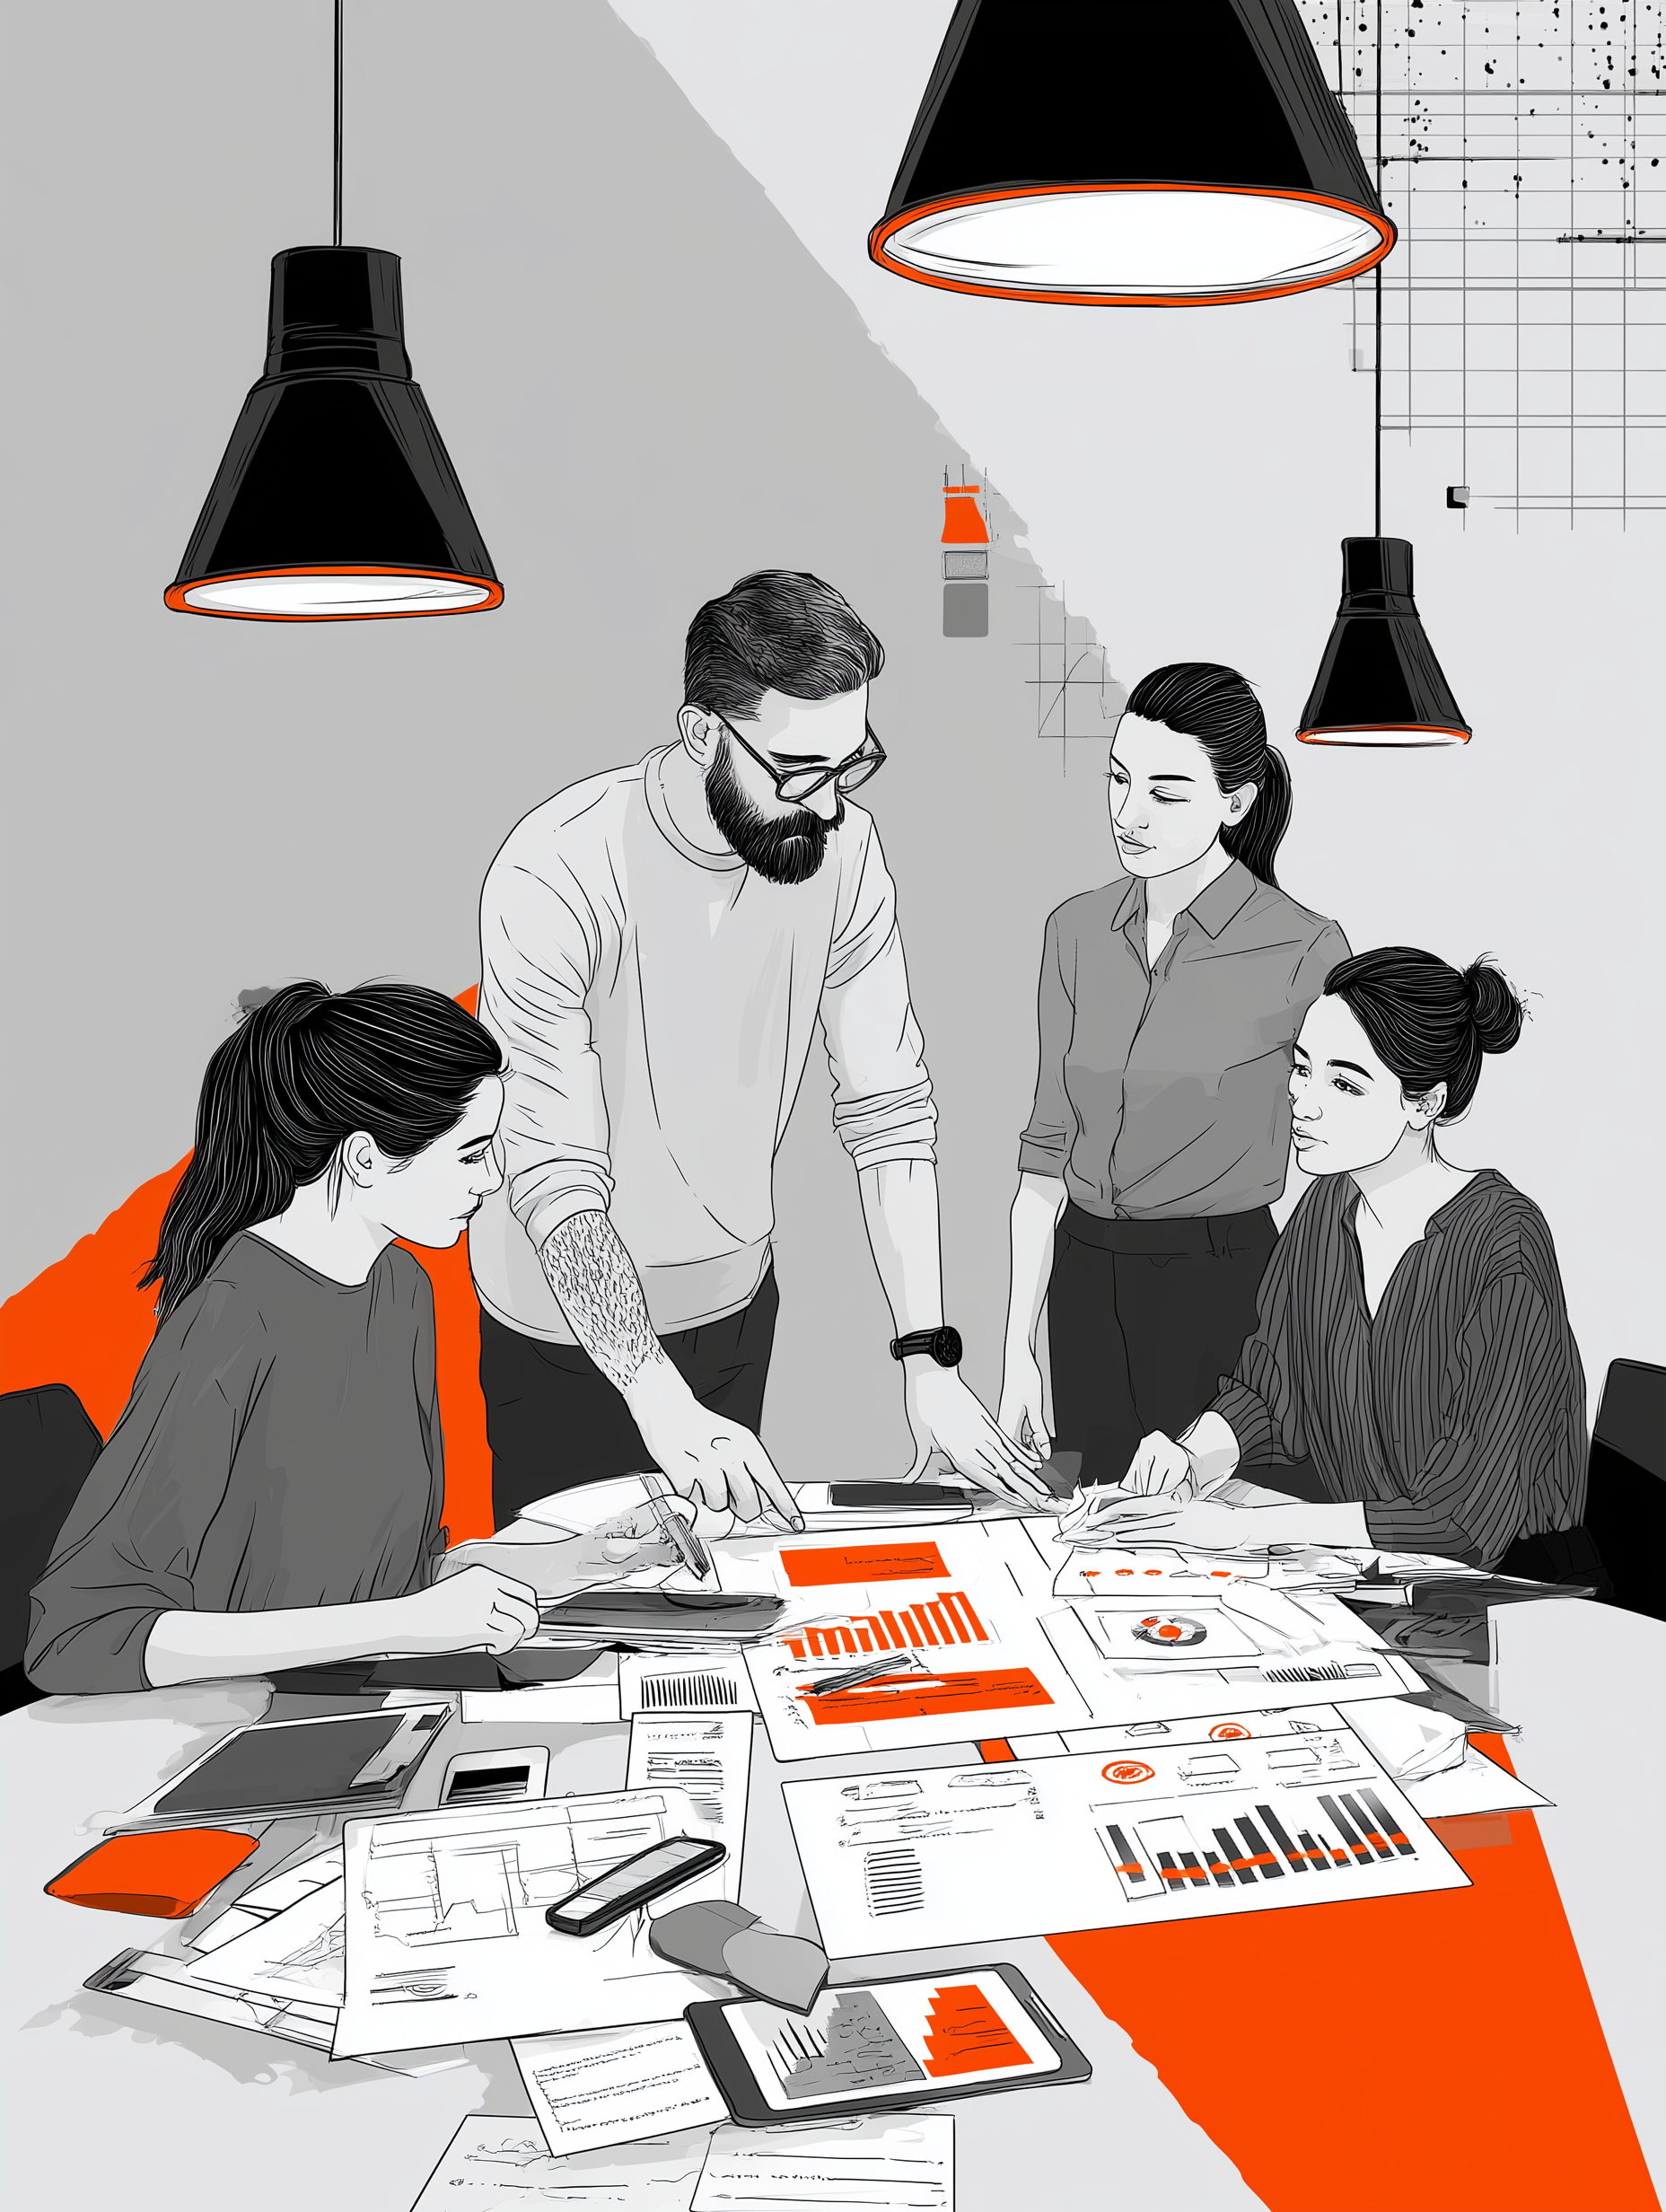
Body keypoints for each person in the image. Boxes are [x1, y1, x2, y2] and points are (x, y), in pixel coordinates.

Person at [469, 568, 1048, 1528]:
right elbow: (552, 1171)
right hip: (564, 1330)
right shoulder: (556, 866)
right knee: (570, 1635)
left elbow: (888, 1109)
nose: (827, 806)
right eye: (798, 770)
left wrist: (926, 1357)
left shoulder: (845, 852)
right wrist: (651, 1395)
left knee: (716, 1629)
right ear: (703, 733)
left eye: (849, 763)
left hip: (736, 1301)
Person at [26, 983, 683, 1695]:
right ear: (365, 1158)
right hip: (238, 1725)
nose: (492, 1180)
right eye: (471, 1154)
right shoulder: (234, 1318)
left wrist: (573, 1561)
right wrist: (407, 1625)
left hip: (364, 1697)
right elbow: (76, 1638)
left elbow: (385, 1578)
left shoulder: (401, 1287)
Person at [1058, 949, 1591, 1574]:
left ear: (1424, 1104)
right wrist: (1194, 1454)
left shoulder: (1504, 1244)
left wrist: (1242, 1530)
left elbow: (1462, 1520)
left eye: (1344, 1083)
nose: (1302, 1103)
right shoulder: (1328, 1206)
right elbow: (1269, 1390)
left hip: (1506, 1602)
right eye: (1301, 1069)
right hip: (1378, 1574)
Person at [999, 663, 1350, 1487]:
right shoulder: (1075, 931)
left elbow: (1334, 1169)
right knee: (1088, 1533)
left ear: (1236, 802)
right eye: (1117, 780)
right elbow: (1045, 1153)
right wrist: (1016, 1350)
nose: (1127, 814)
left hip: (1220, 1290)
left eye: (1165, 792)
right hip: (1083, 1282)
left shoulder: (1305, 948)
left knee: (1213, 1546)